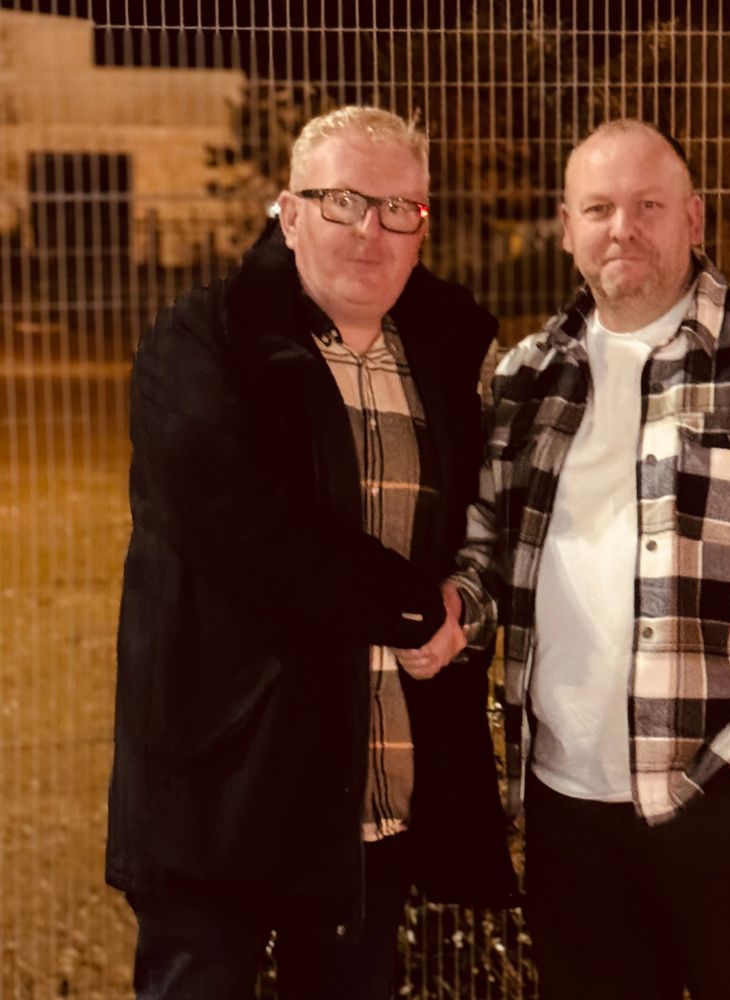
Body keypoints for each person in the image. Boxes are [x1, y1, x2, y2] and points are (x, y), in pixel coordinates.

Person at [403, 119, 730, 999]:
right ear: (566, 226)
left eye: (648, 206)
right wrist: (457, 608)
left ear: (694, 220)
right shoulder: (527, 376)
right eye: (598, 208)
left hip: (726, 790)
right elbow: (487, 545)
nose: (621, 228)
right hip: (565, 800)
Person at [105, 105, 513, 1000]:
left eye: (399, 208)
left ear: (423, 227)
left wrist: (464, 603)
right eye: (343, 201)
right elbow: (245, 525)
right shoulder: (202, 342)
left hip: (372, 796)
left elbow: (491, 525)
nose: (372, 230)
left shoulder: (449, 352)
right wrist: (413, 609)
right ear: (287, 214)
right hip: (224, 797)